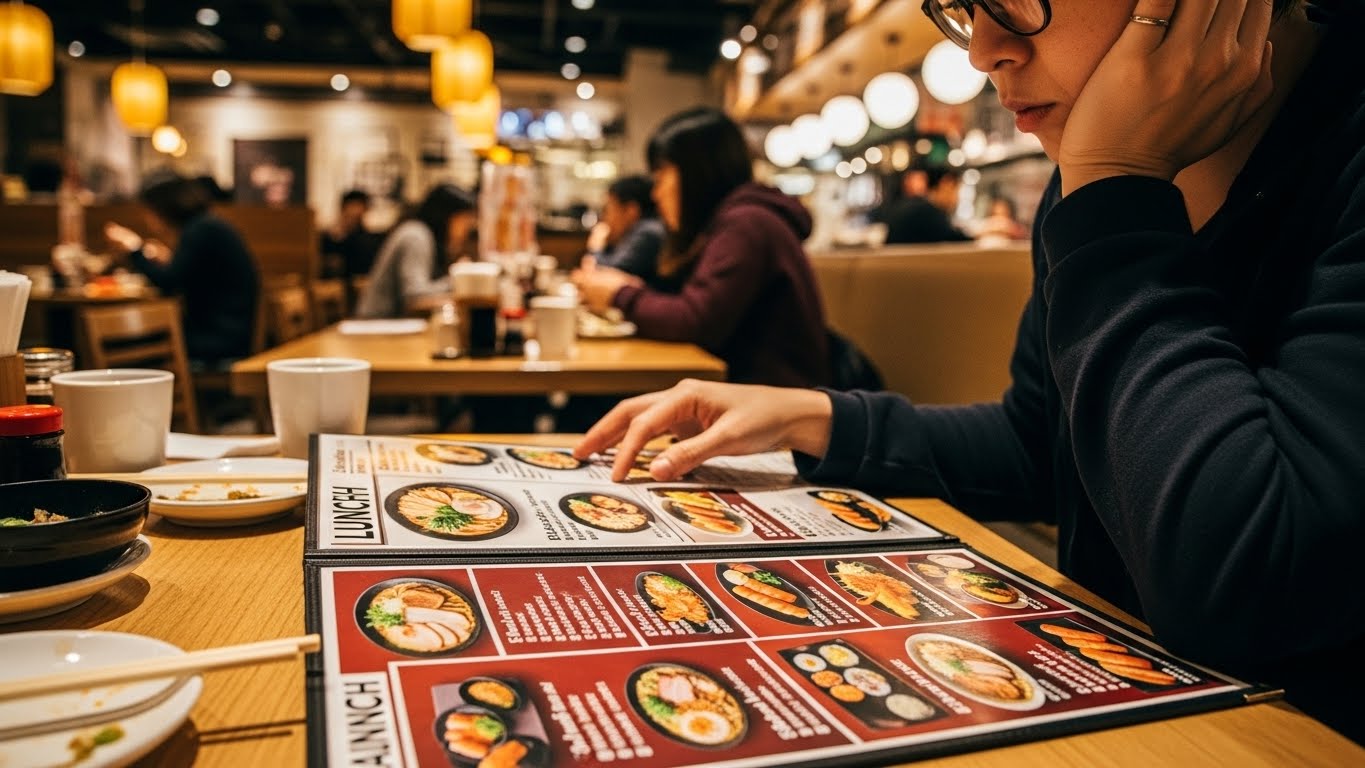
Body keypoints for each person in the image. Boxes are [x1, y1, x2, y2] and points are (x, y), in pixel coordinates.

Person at [574, 0, 1365, 744]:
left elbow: (1254, 583)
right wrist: (810, 416)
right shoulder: (1083, 185)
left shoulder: (1112, 181)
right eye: (961, 5)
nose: (985, 48)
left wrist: (1118, 184)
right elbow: (1039, 448)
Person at [572, 107, 829, 388]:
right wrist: (632, 291)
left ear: (695, 173)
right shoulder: (730, 223)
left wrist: (620, 294)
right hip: (745, 394)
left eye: (660, 178)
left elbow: (696, 321)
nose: (655, 194)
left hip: (774, 404)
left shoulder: (747, 224)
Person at [104, 170, 259, 366]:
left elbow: (168, 283)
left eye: (149, 211)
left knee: (125, 343)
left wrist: (134, 248)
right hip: (227, 331)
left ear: (163, 208)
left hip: (218, 339)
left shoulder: (200, 230)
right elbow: (193, 273)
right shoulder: (207, 225)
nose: (147, 219)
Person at [355, 183, 476, 319]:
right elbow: (415, 297)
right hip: (376, 327)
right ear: (446, 216)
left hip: (394, 326)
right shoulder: (415, 236)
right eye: (464, 220)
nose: (466, 229)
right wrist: (458, 279)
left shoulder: (425, 236)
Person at [583, 175, 667, 285]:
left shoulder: (648, 232)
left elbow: (610, 276)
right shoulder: (641, 230)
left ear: (631, 210)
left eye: (608, 209)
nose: (605, 218)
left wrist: (596, 247)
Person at [874, 165, 973, 244]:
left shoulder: (915, 206)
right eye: (956, 190)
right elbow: (958, 240)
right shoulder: (927, 212)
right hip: (907, 268)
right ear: (946, 183)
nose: (957, 198)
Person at [320, 188, 381, 283]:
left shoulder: (369, 241)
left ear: (365, 210)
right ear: (343, 208)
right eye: (352, 205)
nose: (355, 211)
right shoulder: (328, 237)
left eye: (359, 206)